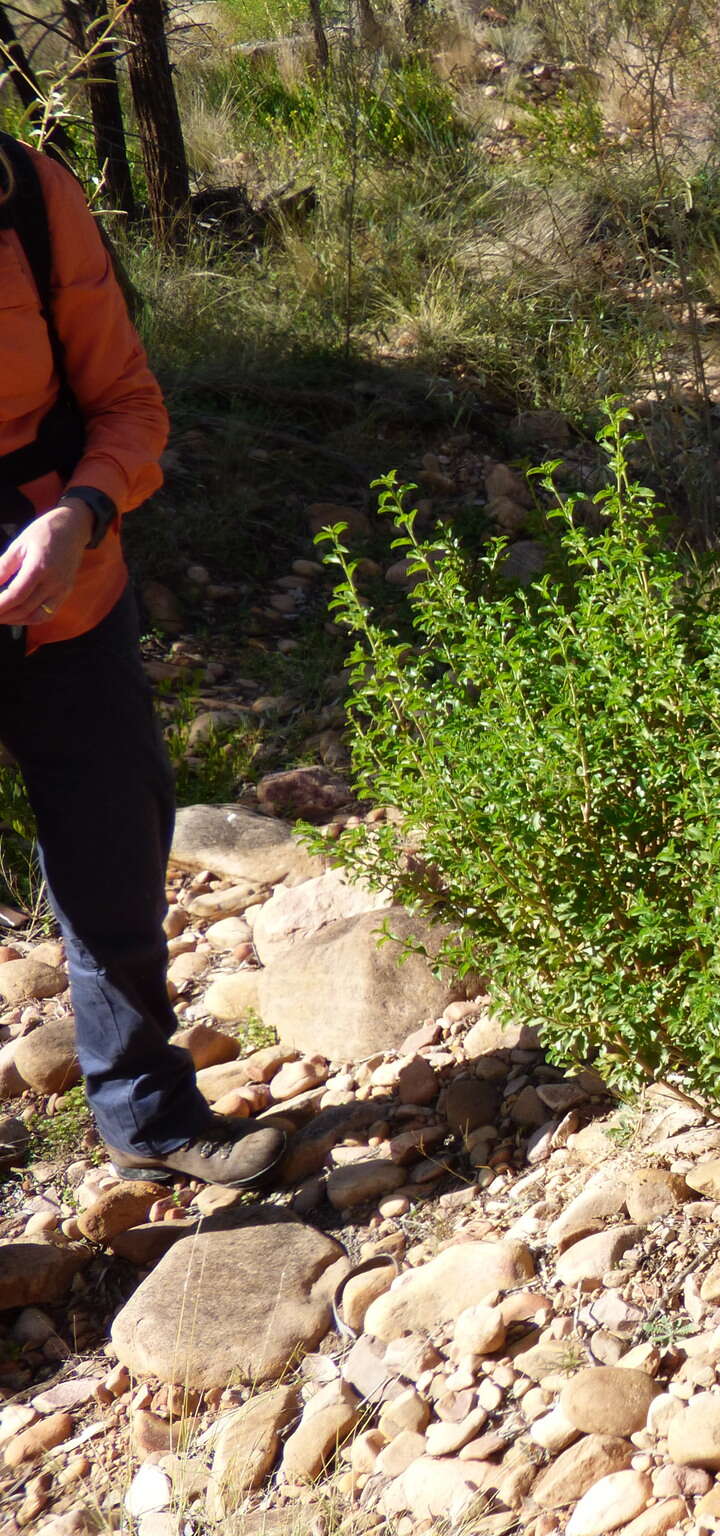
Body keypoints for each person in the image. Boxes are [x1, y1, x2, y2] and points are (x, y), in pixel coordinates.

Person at [0, 134, 283, 1188]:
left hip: (70, 593)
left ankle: (147, 1111)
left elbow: (128, 403)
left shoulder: (28, 192)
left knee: (114, 850)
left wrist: (81, 512)